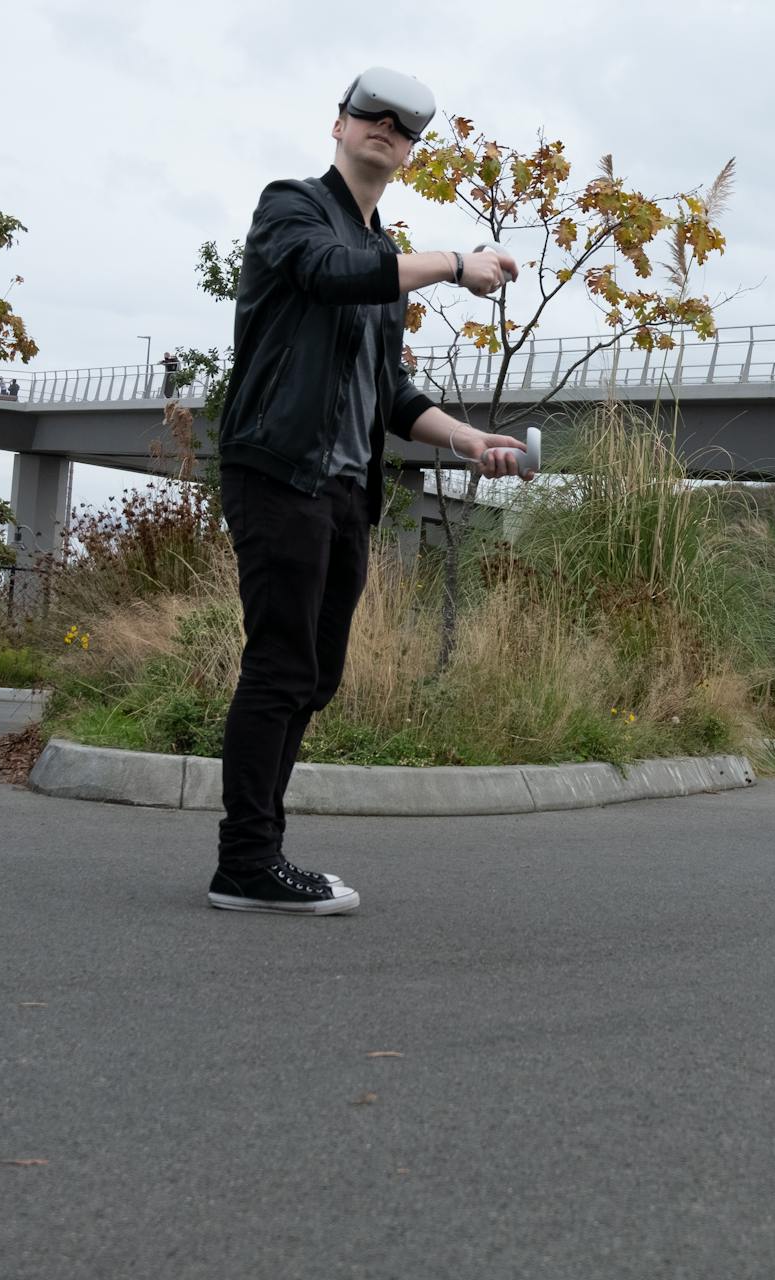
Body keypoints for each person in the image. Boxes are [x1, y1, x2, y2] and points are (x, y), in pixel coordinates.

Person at [207, 66, 528, 916]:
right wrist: (457, 262)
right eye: (370, 114)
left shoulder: (386, 258)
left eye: (404, 125)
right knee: (278, 664)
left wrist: (466, 439)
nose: (386, 127)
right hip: (278, 471)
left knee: (314, 674)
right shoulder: (291, 208)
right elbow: (329, 272)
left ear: (411, 153)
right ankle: (245, 861)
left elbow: (390, 391)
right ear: (340, 125)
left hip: (347, 490)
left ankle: (258, 854)